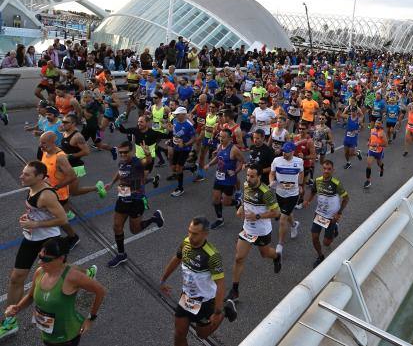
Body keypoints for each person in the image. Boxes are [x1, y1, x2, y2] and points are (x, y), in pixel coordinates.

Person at [0, 161, 70, 340]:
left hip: (48, 241)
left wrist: (36, 223)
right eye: (23, 173)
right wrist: (29, 217)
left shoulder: (46, 195)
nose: (21, 176)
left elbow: (62, 218)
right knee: (16, 278)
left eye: (26, 174)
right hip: (31, 238)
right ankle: (10, 322)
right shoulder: (32, 187)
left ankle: (84, 276)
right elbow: (38, 211)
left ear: (39, 177)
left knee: (56, 282)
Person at [4, 237, 106, 346]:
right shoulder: (40, 272)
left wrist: (90, 319)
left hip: (67, 338)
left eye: (46, 259)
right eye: (40, 257)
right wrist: (17, 307)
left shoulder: (72, 277)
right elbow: (30, 296)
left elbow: (100, 291)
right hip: (47, 336)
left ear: (61, 258)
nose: (40, 262)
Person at [159, 217, 237, 346]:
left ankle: (225, 308)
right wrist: (162, 280)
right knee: (179, 334)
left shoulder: (212, 255)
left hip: (206, 302)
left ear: (205, 234)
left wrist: (217, 312)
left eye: (195, 234)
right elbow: (176, 259)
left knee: (202, 334)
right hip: (187, 297)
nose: (190, 236)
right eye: (189, 231)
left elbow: (220, 283)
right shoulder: (186, 243)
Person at [104, 141, 165, 267]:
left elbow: (146, 161)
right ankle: (121, 255)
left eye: (125, 152)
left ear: (131, 151)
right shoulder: (122, 161)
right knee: (116, 226)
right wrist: (111, 183)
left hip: (136, 201)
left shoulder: (137, 162)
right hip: (122, 198)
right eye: (121, 152)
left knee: (134, 230)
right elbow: (120, 172)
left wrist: (148, 155)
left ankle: (154, 218)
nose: (123, 154)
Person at [226, 165, 282, 302]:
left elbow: (277, 213)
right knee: (239, 258)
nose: (248, 178)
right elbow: (245, 200)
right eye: (247, 175)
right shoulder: (246, 185)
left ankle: (276, 256)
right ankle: (234, 291)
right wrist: (241, 208)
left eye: (252, 176)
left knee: (265, 254)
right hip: (247, 229)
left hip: (262, 231)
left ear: (259, 177)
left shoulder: (266, 192)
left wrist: (258, 216)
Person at [304, 160, 349, 267]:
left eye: (329, 169)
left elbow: (346, 198)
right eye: (324, 168)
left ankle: (334, 228)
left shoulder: (336, 184)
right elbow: (314, 191)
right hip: (319, 213)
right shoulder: (317, 180)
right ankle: (320, 256)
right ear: (322, 169)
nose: (326, 171)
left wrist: (339, 213)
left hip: (331, 217)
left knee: (326, 243)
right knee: (314, 237)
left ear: (333, 170)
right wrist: (308, 200)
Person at [39, 132, 80, 249]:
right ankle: (60, 238)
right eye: (40, 142)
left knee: (58, 219)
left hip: (58, 195)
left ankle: (72, 237)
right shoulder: (45, 151)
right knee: (53, 218)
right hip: (48, 192)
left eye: (44, 143)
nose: (41, 145)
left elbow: (72, 176)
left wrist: (56, 186)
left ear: (53, 142)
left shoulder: (60, 157)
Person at [205, 129, 245, 230]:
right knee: (215, 199)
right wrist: (209, 164)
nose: (221, 139)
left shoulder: (234, 149)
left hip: (228, 180)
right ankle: (219, 219)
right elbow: (218, 158)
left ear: (230, 139)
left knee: (226, 203)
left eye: (223, 137)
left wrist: (235, 172)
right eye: (220, 136)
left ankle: (237, 202)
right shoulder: (220, 146)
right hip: (219, 177)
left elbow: (242, 161)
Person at [269, 142, 304, 254]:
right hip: (280, 193)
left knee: (282, 218)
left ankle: (280, 244)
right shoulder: (277, 161)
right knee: (287, 213)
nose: (284, 153)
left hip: (293, 194)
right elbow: (271, 173)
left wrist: (300, 185)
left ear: (293, 152)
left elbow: (302, 173)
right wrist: (271, 181)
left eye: (287, 152)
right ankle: (294, 225)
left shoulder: (299, 161)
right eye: (283, 151)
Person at [170, 107, 196, 197]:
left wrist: (185, 144)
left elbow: (193, 138)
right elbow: (174, 132)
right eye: (176, 114)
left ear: (184, 114)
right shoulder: (174, 121)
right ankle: (191, 167)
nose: (176, 115)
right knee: (173, 167)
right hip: (176, 147)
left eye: (178, 114)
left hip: (185, 149)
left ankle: (180, 188)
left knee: (178, 168)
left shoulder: (189, 125)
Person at [364, 120, 387, 189]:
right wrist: (369, 142)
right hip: (371, 150)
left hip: (378, 152)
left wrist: (377, 144)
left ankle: (382, 168)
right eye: (376, 123)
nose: (377, 124)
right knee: (368, 164)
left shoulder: (382, 133)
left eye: (379, 123)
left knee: (379, 163)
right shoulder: (372, 130)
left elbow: (386, 144)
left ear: (381, 125)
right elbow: (371, 138)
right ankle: (368, 181)